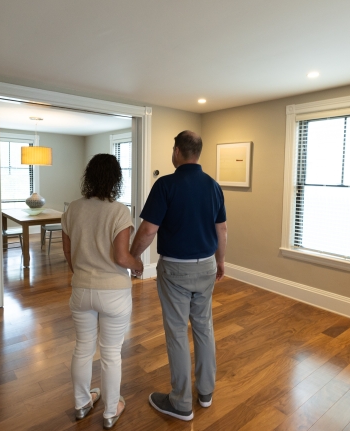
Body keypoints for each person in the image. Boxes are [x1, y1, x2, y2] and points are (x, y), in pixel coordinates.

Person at [130, 130, 227, 422]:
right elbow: (221, 230)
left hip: (175, 269)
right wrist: (220, 261)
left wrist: (133, 257)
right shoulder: (213, 185)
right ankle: (206, 393)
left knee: (176, 331)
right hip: (207, 265)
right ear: (198, 152)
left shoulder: (166, 185)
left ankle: (181, 402)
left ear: (176, 151)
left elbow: (148, 230)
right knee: (203, 327)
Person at [62, 154, 143, 429]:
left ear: (89, 176)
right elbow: (122, 258)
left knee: (83, 348)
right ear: (115, 179)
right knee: (110, 353)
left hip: (81, 289)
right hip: (114, 293)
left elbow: (69, 256)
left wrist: (85, 273)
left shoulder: (72, 209)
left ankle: (82, 403)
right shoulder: (119, 211)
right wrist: (139, 264)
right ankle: (110, 411)